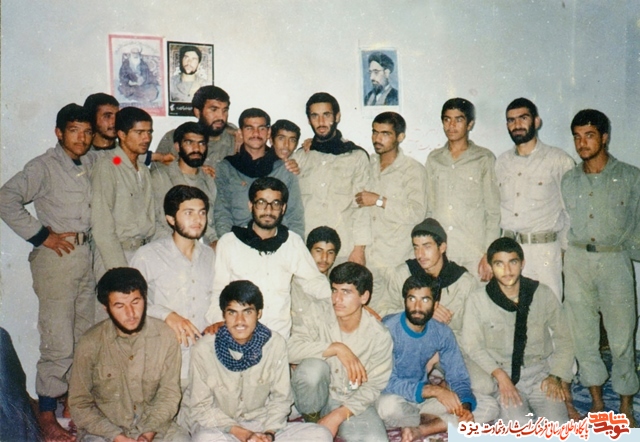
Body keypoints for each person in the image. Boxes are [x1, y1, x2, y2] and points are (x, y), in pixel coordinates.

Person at [0, 103, 96, 442]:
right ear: (59, 133)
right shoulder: (43, 166)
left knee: (83, 335)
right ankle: (45, 415)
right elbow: (6, 198)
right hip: (57, 259)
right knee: (58, 341)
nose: (81, 138)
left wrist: (159, 158)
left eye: (87, 132)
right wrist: (42, 235)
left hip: (87, 257)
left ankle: (71, 402)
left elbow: (120, 160)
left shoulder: (91, 162)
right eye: (74, 131)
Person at [561, 109, 640, 426]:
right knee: (584, 337)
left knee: (622, 338)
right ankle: (596, 402)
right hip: (578, 261)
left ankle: (626, 405)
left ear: (604, 137)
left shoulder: (630, 177)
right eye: (577, 137)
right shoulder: (569, 179)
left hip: (614, 261)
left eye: (589, 135)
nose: (582, 143)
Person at [185, 280, 332, 442]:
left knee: (320, 435)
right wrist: (243, 434)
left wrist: (268, 434)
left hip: (261, 424)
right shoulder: (203, 349)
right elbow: (201, 408)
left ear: (259, 313)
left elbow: (281, 399)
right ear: (223, 315)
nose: (240, 321)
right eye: (232, 313)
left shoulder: (275, 344)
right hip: (223, 428)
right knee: (204, 439)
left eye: (247, 312)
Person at [461, 238, 574, 425]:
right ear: (491, 267)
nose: (507, 270)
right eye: (499, 264)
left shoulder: (542, 293)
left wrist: (556, 375)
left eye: (512, 262)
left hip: (540, 375)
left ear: (522, 263)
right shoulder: (478, 300)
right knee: (520, 426)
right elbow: (472, 345)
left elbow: (565, 338)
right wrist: (500, 376)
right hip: (503, 375)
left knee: (558, 427)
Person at [68, 267, 187, 442]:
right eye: (120, 306)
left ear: (145, 299)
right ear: (106, 308)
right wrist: (116, 436)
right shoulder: (90, 343)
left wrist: (147, 434)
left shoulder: (165, 336)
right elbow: (79, 404)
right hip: (106, 431)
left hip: (155, 428)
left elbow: (169, 395)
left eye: (135, 302)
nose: (130, 313)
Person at [206, 177, 329, 339]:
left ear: (283, 208)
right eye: (261, 203)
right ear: (251, 205)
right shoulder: (229, 243)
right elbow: (218, 290)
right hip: (239, 335)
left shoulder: (292, 242)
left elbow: (313, 281)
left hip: (278, 337)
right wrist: (218, 321)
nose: (268, 210)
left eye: (275, 204)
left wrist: (343, 299)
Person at [289, 262, 393, 441]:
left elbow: (374, 385)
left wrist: (338, 415)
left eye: (346, 292)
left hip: (350, 400)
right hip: (315, 395)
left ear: (364, 297)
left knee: (376, 440)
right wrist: (336, 348)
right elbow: (290, 349)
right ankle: (312, 420)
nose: (337, 299)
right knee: (313, 369)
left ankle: (325, 424)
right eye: (334, 290)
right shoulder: (318, 312)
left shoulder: (379, 335)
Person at [377, 275, 482, 441]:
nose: (417, 307)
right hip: (395, 395)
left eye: (425, 300)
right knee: (388, 407)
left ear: (436, 305)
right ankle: (435, 421)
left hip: (422, 400)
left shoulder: (442, 332)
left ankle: (420, 429)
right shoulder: (387, 329)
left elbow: (458, 376)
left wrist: (465, 409)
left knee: (487, 405)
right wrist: (434, 390)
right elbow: (385, 381)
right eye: (412, 299)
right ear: (405, 301)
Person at [131, 185, 214, 388]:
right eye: (189, 213)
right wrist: (166, 315)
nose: (197, 219)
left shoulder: (210, 256)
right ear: (170, 219)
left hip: (204, 361)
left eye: (202, 213)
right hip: (164, 359)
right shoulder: (148, 255)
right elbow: (129, 303)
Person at [496, 98, 574, 302]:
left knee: (548, 311)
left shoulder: (559, 160)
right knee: (512, 313)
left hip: (544, 253)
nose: (517, 124)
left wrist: (563, 251)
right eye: (511, 120)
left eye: (523, 118)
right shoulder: (501, 162)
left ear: (536, 121)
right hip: (510, 252)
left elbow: (571, 212)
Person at [355, 112, 427, 316]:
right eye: (375, 132)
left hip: (398, 261)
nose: (377, 138)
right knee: (370, 318)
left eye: (385, 134)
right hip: (371, 260)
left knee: (400, 318)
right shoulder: (366, 164)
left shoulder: (413, 170)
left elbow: (417, 213)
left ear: (400, 137)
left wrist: (379, 200)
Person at [425, 98, 500, 281]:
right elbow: (429, 209)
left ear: (470, 124)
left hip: (474, 254)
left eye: (458, 120)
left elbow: (493, 211)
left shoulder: (484, 158)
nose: (451, 126)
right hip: (442, 254)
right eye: (447, 119)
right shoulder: (434, 159)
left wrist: (489, 254)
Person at [293, 92, 371, 264]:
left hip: (343, 250)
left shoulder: (356, 156)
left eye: (326, 115)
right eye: (315, 116)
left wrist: (359, 249)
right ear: (309, 120)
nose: (321, 122)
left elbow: (362, 208)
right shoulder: (301, 156)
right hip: (306, 250)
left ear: (337, 117)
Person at [214, 108, 304, 238]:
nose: (256, 133)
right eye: (249, 128)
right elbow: (222, 212)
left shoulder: (285, 169)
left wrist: (296, 245)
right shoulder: (227, 167)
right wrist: (226, 243)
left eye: (261, 128)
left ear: (268, 133)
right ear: (240, 133)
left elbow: (295, 215)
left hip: (277, 241)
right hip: (238, 240)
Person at [386, 218, 479, 340]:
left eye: (427, 247)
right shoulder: (402, 274)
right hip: (408, 342)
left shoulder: (464, 282)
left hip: (447, 346)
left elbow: (472, 332)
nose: (420, 254)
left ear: (442, 247)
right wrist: (421, 313)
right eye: (416, 247)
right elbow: (385, 311)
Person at [91, 106, 156, 277]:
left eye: (149, 132)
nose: (147, 138)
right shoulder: (108, 166)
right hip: (115, 256)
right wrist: (119, 270)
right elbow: (102, 226)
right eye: (139, 132)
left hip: (142, 255)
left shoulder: (143, 170)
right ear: (121, 134)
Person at [151, 122, 218, 246]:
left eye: (201, 143)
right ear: (177, 147)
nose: (196, 149)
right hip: (169, 247)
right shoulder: (160, 179)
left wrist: (214, 242)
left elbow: (210, 224)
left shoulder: (209, 180)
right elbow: (156, 224)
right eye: (189, 143)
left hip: (203, 247)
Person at [156, 85, 237, 170]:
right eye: (213, 110)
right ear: (197, 112)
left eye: (225, 110)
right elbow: (157, 173)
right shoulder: (173, 138)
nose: (221, 116)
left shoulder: (235, 141)